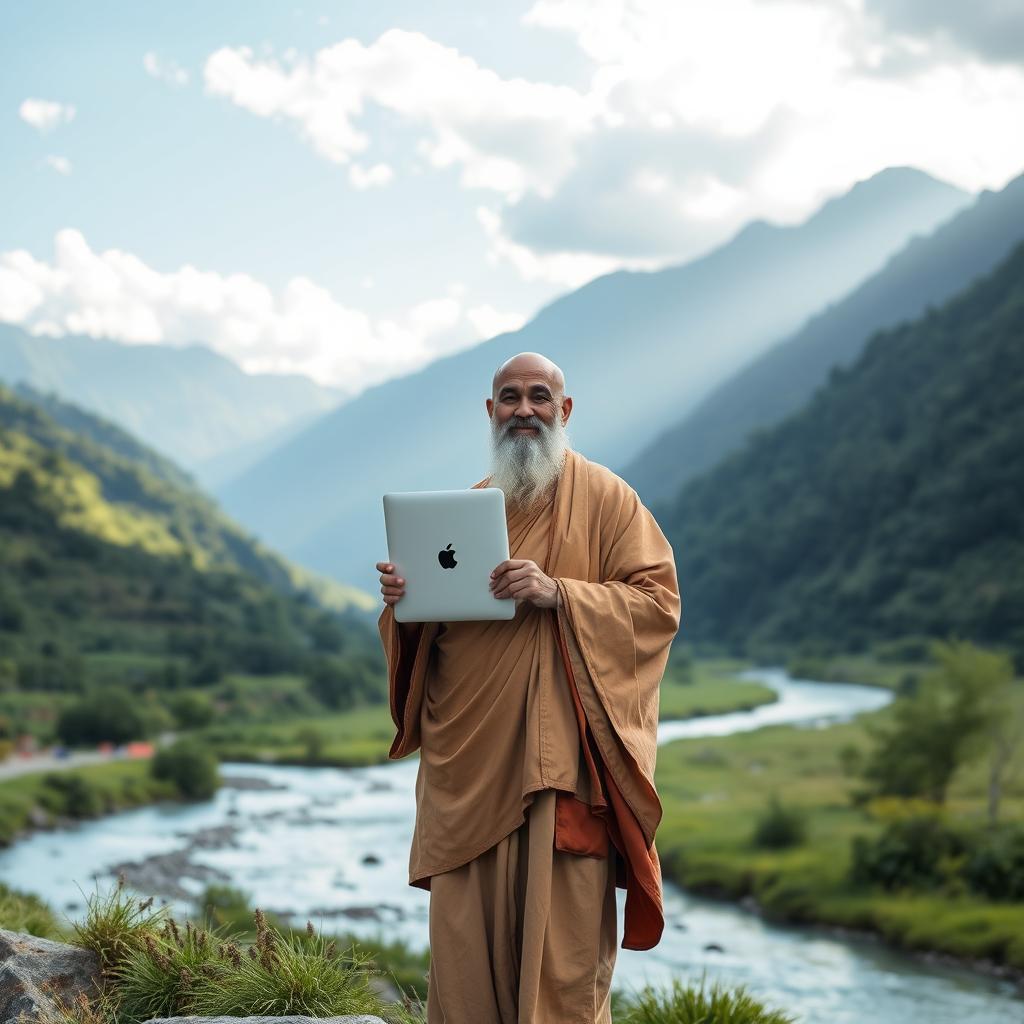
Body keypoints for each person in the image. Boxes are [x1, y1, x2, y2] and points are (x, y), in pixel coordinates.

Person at [375, 351, 681, 1024]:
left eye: (539, 396)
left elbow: (659, 606)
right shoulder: (466, 512)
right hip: (468, 771)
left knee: (562, 966)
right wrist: (404, 602)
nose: (524, 410)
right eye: (509, 397)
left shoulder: (609, 500)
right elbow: (432, 634)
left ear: (564, 411)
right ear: (490, 412)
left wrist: (560, 594)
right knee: (464, 968)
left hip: (560, 772)